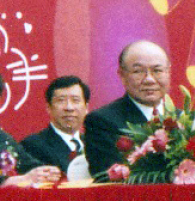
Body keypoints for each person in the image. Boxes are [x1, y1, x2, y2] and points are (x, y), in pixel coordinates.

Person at [83, 40, 171, 175]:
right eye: (138, 71)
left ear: (168, 72)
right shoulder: (101, 122)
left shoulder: (186, 120)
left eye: (157, 71)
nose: (149, 80)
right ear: (122, 76)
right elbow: (107, 177)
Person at [19, 75, 92, 180]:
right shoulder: (32, 146)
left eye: (75, 100)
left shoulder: (94, 144)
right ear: (49, 108)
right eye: (61, 101)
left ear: (86, 108)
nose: (69, 108)